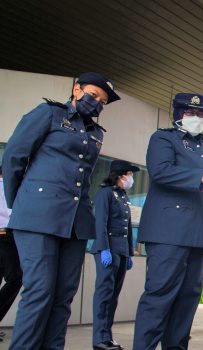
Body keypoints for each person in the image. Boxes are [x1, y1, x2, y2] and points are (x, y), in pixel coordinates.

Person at [1, 72, 120, 350]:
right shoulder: (49, 113)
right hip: (38, 216)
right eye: (93, 95)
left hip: (76, 222)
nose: (97, 103)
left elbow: (84, 176)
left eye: (102, 102)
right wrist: (21, 203)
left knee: (63, 294)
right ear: (77, 89)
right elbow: (14, 157)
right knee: (39, 290)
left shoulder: (95, 132)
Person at [133, 93, 203, 350]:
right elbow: (160, 171)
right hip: (169, 232)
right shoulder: (164, 138)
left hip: (198, 233)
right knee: (160, 296)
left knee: (188, 298)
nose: (196, 118)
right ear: (177, 115)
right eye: (190, 113)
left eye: (200, 114)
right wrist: (200, 176)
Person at [90, 160, 139, 350]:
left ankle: (107, 337)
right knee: (104, 294)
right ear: (120, 175)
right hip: (107, 249)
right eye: (130, 174)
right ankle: (99, 339)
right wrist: (103, 248)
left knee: (113, 296)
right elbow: (100, 222)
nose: (131, 179)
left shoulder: (123, 197)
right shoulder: (105, 193)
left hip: (120, 251)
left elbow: (127, 227)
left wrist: (129, 253)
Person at [0, 166, 22, 343]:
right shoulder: (6, 186)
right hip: (6, 236)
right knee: (16, 278)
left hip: (6, 235)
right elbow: (12, 212)